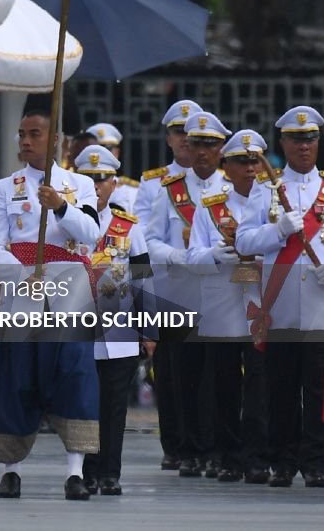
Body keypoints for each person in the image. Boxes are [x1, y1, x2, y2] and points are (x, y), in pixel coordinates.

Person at [0, 105, 101, 501]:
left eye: (35, 134)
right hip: (23, 290)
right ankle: (11, 469)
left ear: (56, 141)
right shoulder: (6, 187)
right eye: (22, 134)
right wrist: (19, 276)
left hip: (69, 289)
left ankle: (75, 471)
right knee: (16, 377)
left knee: (74, 376)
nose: (26, 141)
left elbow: (92, 234)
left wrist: (61, 208)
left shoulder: (79, 185)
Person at [236, 106, 324, 487]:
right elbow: (243, 240)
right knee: (282, 388)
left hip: (322, 307)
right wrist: (277, 230)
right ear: (283, 143)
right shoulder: (267, 189)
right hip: (281, 305)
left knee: (319, 388)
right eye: (295, 139)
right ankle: (283, 461)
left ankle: (318, 461)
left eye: (310, 138)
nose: (303, 146)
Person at [146, 111, 232, 478]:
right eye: (195, 143)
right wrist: (179, 256)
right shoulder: (171, 190)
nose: (200, 151)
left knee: (220, 376)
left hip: (223, 295)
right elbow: (150, 240)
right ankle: (185, 447)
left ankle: (216, 448)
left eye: (209, 144)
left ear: (221, 148)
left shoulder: (234, 187)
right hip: (180, 291)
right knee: (181, 375)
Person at [186, 129, 270, 484]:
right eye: (241, 161)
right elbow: (193, 257)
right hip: (223, 303)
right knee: (222, 384)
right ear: (227, 165)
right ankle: (227, 455)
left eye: (255, 160)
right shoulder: (210, 206)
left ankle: (255, 456)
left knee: (260, 384)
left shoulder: (273, 202)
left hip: (260, 302)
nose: (250, 168)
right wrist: (215, 254)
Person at [75, 144, 153, 496]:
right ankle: (84, 471)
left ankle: (110, 472)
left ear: (114, 183)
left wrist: (149, 328)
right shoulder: (69, 223)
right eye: (88, 179)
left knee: (114, 406)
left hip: (120, 330)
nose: (95, 185)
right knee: (83, 403)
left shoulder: (128, 226)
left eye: (102, 179)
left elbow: (144, 280)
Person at [134, 99, 200, 471]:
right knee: (171, 374)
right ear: (169, 138)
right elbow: (140, 235)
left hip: (209, 287)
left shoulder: (219, 178)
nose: (186, 140)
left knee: (208, 372)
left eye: (193, 134)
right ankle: (174, 445)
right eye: (179, 133)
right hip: (170, 285)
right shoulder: (153, 182)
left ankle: (204, 443)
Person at [86, 123, 139, 213]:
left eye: (107, 150)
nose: (101, 155)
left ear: (117, 153)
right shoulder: (77, 187)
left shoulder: (133, 193)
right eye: (95, 150)